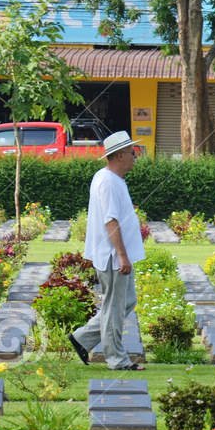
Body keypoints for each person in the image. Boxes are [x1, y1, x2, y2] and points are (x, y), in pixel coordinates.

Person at [70, 131, 145, 370]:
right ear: (120, 155)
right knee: (114, 307)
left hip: (115, 255)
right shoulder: (108, 182)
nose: (135, 157)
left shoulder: (111, 179)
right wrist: (122, 255)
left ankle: (82, 339)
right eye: (132, 153)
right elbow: (111, 222)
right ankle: (117, 359)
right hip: (112, 257)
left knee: (125, 302)